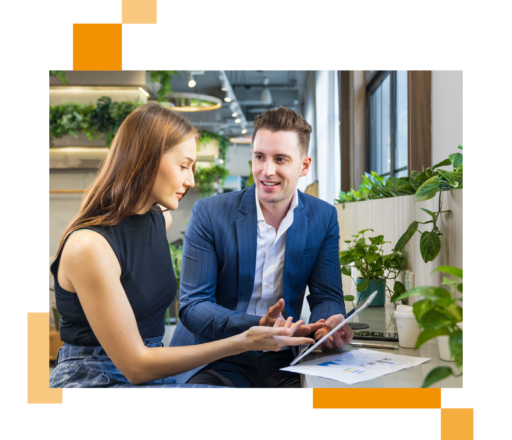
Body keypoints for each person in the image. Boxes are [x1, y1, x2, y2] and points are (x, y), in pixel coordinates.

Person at [49, 103, 315, 389]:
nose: (190, 180)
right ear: (146, 159)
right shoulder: (89, 246)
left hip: (154, 371)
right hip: (96, 379)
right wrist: (242, 342)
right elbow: (136, 366)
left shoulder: (160, 219)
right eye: (184, 166)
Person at [171, 106, 354, 389]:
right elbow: (193, 307)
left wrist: (327, 325)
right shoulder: (210, 213)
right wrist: (257, 325)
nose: (267, 171)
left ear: (304, 166)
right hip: (216, 354)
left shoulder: (323, 217)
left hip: (283, 356)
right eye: (260, 157)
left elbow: (326, 294)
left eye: (280, 159)